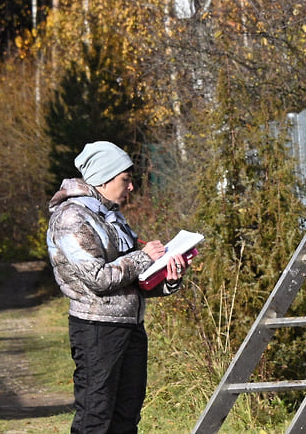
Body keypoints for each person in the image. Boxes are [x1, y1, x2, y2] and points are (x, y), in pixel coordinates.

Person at [46, 140, 192, 433]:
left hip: (130, 326)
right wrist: (143, 256)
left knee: (127, 416)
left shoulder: (110, 216)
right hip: (97, 330)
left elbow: (134, 281)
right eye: (125, 179)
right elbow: (98, 279)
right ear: (102, 179)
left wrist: (169, 278)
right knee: (95, 417)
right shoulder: (72, 218)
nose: (131, 187)